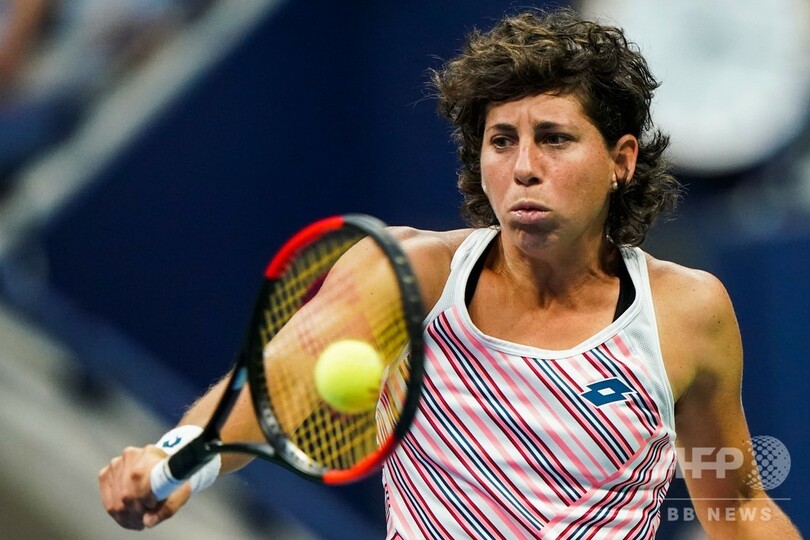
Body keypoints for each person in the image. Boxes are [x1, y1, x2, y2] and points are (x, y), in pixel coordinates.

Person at [99, 8, 801, 538]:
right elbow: (278, 384)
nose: (524, 167)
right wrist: (174, 456)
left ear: (621, 160)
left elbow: (737, 504)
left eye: (554, 139)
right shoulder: (408, 275)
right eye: (502, 141)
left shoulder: (686, 313)